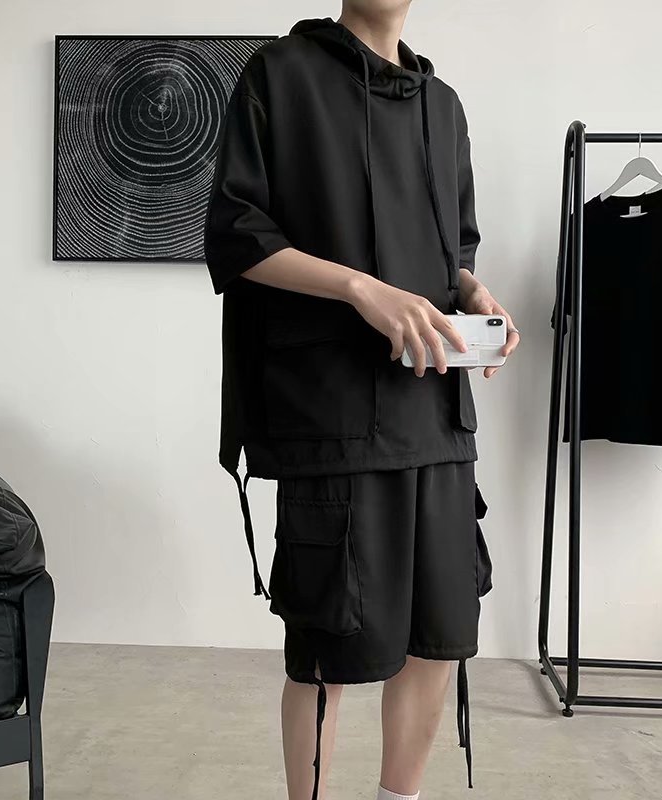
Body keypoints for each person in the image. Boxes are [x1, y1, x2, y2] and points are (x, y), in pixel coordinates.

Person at [204, 3, 519, 799]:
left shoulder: (444, 107)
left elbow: (456, 249)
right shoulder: (279, 75)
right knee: (328, 649)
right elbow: (237, 233)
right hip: (332, 416)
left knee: (438, 640)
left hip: (437, 414)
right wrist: (359, 289)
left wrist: (475, 295)